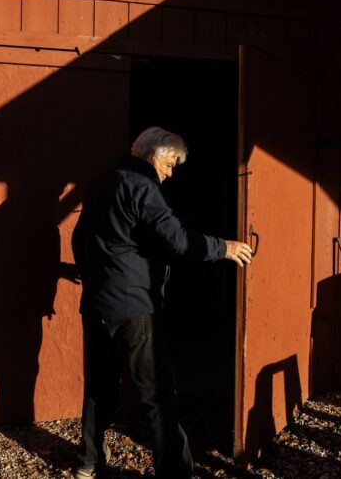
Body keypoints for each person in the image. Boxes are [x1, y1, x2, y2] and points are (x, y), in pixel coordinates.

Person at [71, 126, 254, 478]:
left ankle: (88, 461)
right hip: (135, 305)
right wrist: (224, 248)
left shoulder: (103, 182)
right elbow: (179, 240)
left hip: (97, 303)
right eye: (170, 164)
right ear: (154, 155)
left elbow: (80, 238)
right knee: (157, 393)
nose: (170, 174)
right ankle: (174, 472)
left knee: (100, 386)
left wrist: (94, 276)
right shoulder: (145, 187)